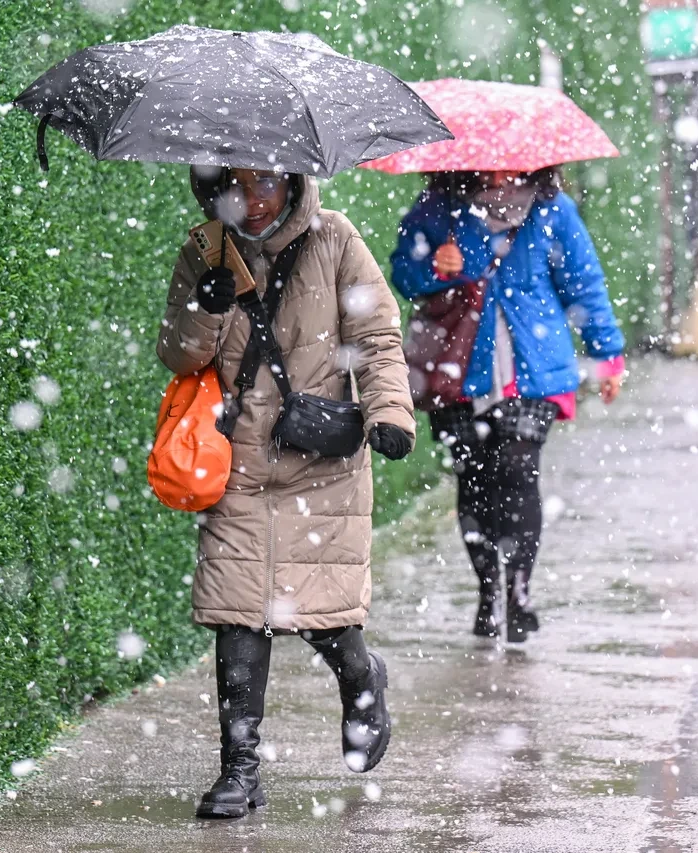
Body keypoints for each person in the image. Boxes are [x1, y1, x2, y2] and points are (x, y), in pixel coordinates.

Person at [157, 166, 416, 818]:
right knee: (237, 611)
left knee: (325, 614)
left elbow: (377, 337)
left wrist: (389, 412)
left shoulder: (336, 239)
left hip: (319, 459)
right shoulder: (206, 249)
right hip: (240, 460)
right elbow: (180, 356)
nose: (251, 196)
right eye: (236, 183)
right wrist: (207, 308)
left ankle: (361, 677)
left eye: (264, 180)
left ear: (293, 180)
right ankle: (239, 770)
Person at [390, 169, 625, 643]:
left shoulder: (553, 211)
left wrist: (608, 352)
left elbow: (583, 283)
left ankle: (519, 590)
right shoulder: (437, 209)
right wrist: (437, 267)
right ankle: (488, 589)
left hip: (532, 366)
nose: (503, 178)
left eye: (512, 169)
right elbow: (403, 275)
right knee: (473, 479)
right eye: (491, 170)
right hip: (459, 365)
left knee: (519, 471)